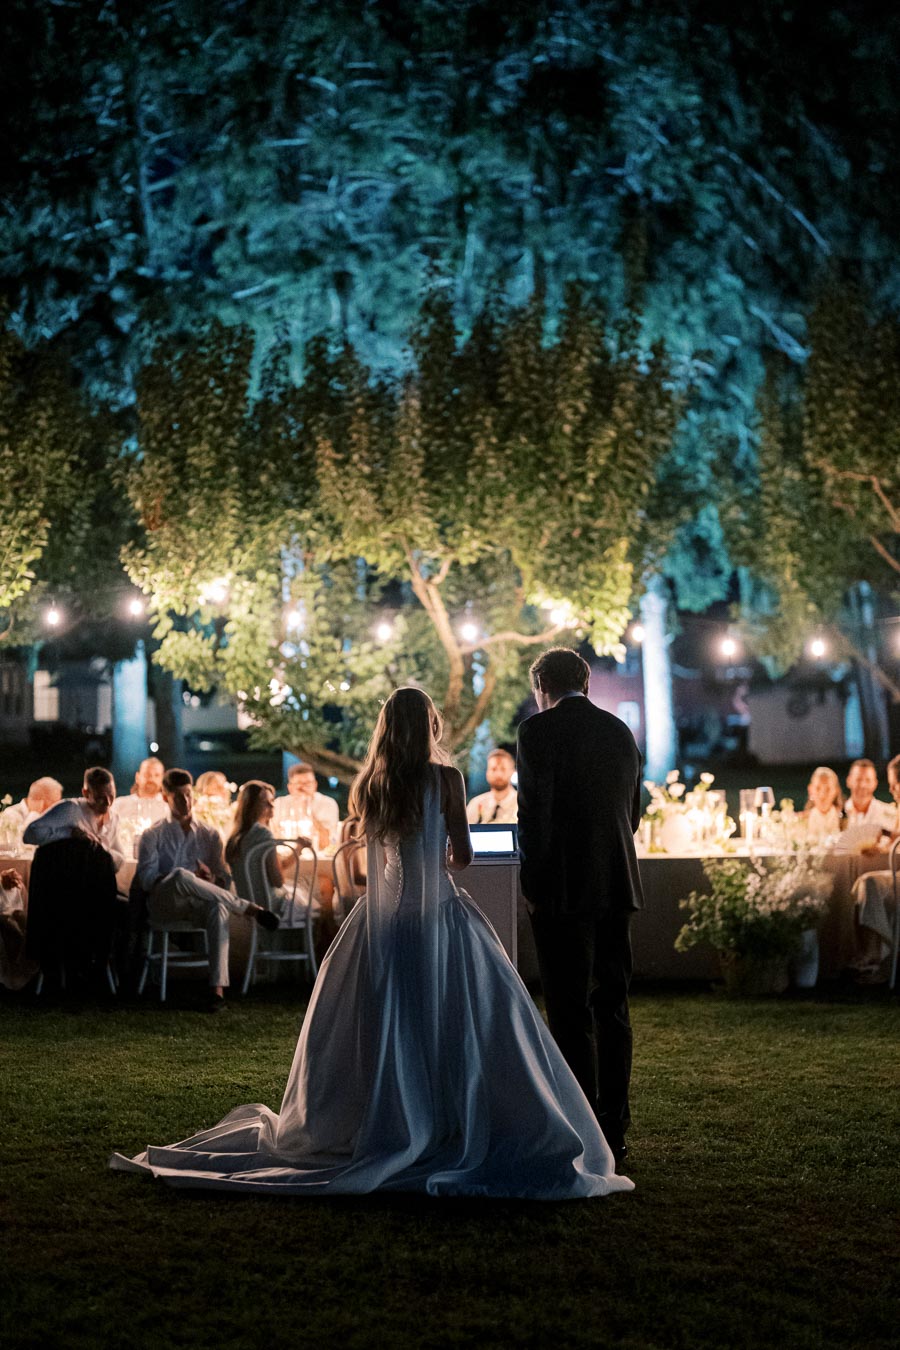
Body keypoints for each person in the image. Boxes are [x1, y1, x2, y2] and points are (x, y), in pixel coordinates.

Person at [110, 687, 632, 1199]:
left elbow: (372, 864)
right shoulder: (447, 779)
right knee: (459, 1019)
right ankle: (448, 1117)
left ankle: (384, 1117)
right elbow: (463, 857)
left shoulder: (374, 785)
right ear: (430, 725)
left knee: (388, 1021)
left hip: (385, 921)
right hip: (438, 915)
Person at [516, 648, 643, 1167]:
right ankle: (614, 1125)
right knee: (612, 1005)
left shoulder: (537, 732)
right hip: (616, 882)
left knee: (569, 1011)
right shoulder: (619, 731)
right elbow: (631, 811)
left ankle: (582, 1125)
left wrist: (533, 880)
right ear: (585, 682)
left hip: (563, 887)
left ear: (542, 683)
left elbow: (534, 813)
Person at [136, 769, 279, 1010]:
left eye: (189, 795)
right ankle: (248, 908)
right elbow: (147, 880)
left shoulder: (210, 834)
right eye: (178, 796)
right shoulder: (153, 834)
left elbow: (224, 879)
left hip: (198, 903)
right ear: (165, 797)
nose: (185, 802)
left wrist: (211, 878)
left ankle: (217, 991)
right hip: (165, 904)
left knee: (219, 908)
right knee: (181, 875)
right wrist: (180, 879)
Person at [225, 781, 312, 911]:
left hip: (248, 903)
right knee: (311, 900)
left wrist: (298, 850)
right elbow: (277, 880)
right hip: (269, 904)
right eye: (265, 802)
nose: (272, 805)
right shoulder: (263, 834)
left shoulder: (236, 837)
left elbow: (274, 866)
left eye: (272, 801)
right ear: (252, 806)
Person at [24, 767, 127, 871]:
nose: (108, 803)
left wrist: (100, 847)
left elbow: (119, 861)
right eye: (100, 798)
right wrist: (69, 834)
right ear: (86, 793)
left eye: (111, 796)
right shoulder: (70, 809)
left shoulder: (113, 818)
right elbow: (29, 835)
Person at [272, 763, 339, 849]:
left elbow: (328, 843)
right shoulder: (279, 804)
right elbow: (273, 836)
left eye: (308, 783)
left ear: (315, 785)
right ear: (290, 787)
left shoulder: (327, 804)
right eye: (299, 784)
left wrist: (307, 810)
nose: (304, 788)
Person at [466, 749, 518, 824]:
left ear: (512, 771)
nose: (498, 774)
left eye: (503, 769)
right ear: (487, 772)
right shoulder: (475, 804)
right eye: (493, 769)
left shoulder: (520, 804)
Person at [843, 759, 895, 833]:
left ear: (875, 783)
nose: (863, 785)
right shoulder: (836, 813)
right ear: (848, 781)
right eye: (858, 779)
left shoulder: (890, 814)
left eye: (868, 780)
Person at [113, 757, 167, 826]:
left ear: (162, 778)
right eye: (147, 774)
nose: (151, 779)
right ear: (137, 777)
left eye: (157, 775)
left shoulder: (168, 808)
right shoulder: (119, 805)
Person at [801, 767, 843, 840]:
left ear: (836, 791)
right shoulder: (799, 821)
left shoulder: (845, 820)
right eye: (818, 788)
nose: (822, 795)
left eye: (828, 789)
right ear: (810, 790)